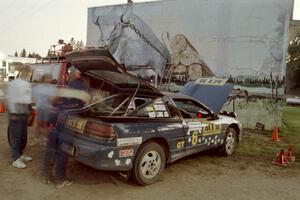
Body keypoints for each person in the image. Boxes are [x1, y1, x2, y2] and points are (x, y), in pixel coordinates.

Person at [42, 66, 89, 188]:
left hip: (55, 122)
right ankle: (60, 180)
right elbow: (86, 105)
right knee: (62, 153)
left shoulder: (64, 90)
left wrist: (50, 123)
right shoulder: (81, 93)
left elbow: (54, 104)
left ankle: (46, 176)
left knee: (50, 150)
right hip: (67, 125)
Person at [7, 65, 33, 169]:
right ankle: (15, 159)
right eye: (26, 71)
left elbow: (28, 98)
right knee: (16, 136)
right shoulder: (14, 84)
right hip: (16, 113)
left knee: (23, 136)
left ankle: (20, 154)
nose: (28, 73)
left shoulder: (27, 84)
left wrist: (30, 109)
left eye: (29, 72)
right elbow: (10, 99)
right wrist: (13, 113)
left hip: (24, 112)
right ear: (22, 71)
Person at [32, 74, 57, 145]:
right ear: (43, 79)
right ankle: (36, 138)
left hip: (48, 108)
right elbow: (34, 97)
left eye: (49, 78)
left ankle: (45, 139)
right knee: (38, 124)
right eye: (46, 78)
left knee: (46, 124)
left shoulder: (52, 88)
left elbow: (54, 98)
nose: (48, 80)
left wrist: (52, 99)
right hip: (39, 107)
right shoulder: (38, 87)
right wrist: (36, 104)